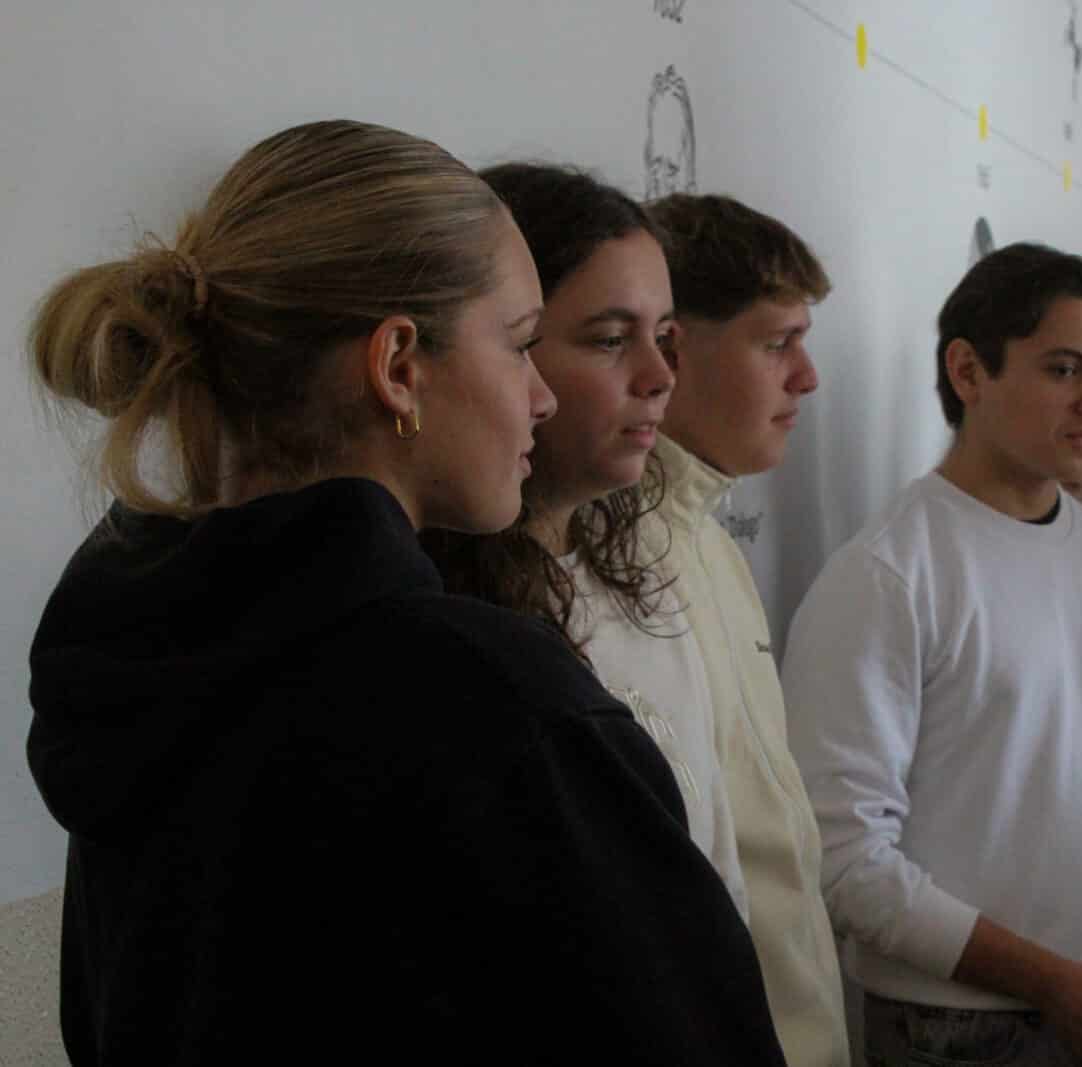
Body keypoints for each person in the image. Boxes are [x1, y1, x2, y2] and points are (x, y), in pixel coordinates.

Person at [25, 121, 785, 1065]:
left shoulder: (131, 670)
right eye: (519, 345)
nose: (541, 397)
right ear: (397, 368)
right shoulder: (497, 704)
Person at [785, 243, 1082, 1066]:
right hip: (956, 1029)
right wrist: (1054, 982)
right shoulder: (889, 572)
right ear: (968, 371)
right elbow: (846, 860)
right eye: (1064, 368)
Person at [420, 164, 747, 915]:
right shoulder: (443, 615)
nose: (660, 376)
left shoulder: (649, 569)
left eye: (664, 338)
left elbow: (718, 869)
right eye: (609, 339)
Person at [644, 192, 851, 1067]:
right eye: (777, 343)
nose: (807, 377)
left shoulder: (713, 546)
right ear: (670, 348)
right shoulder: (611, 561)